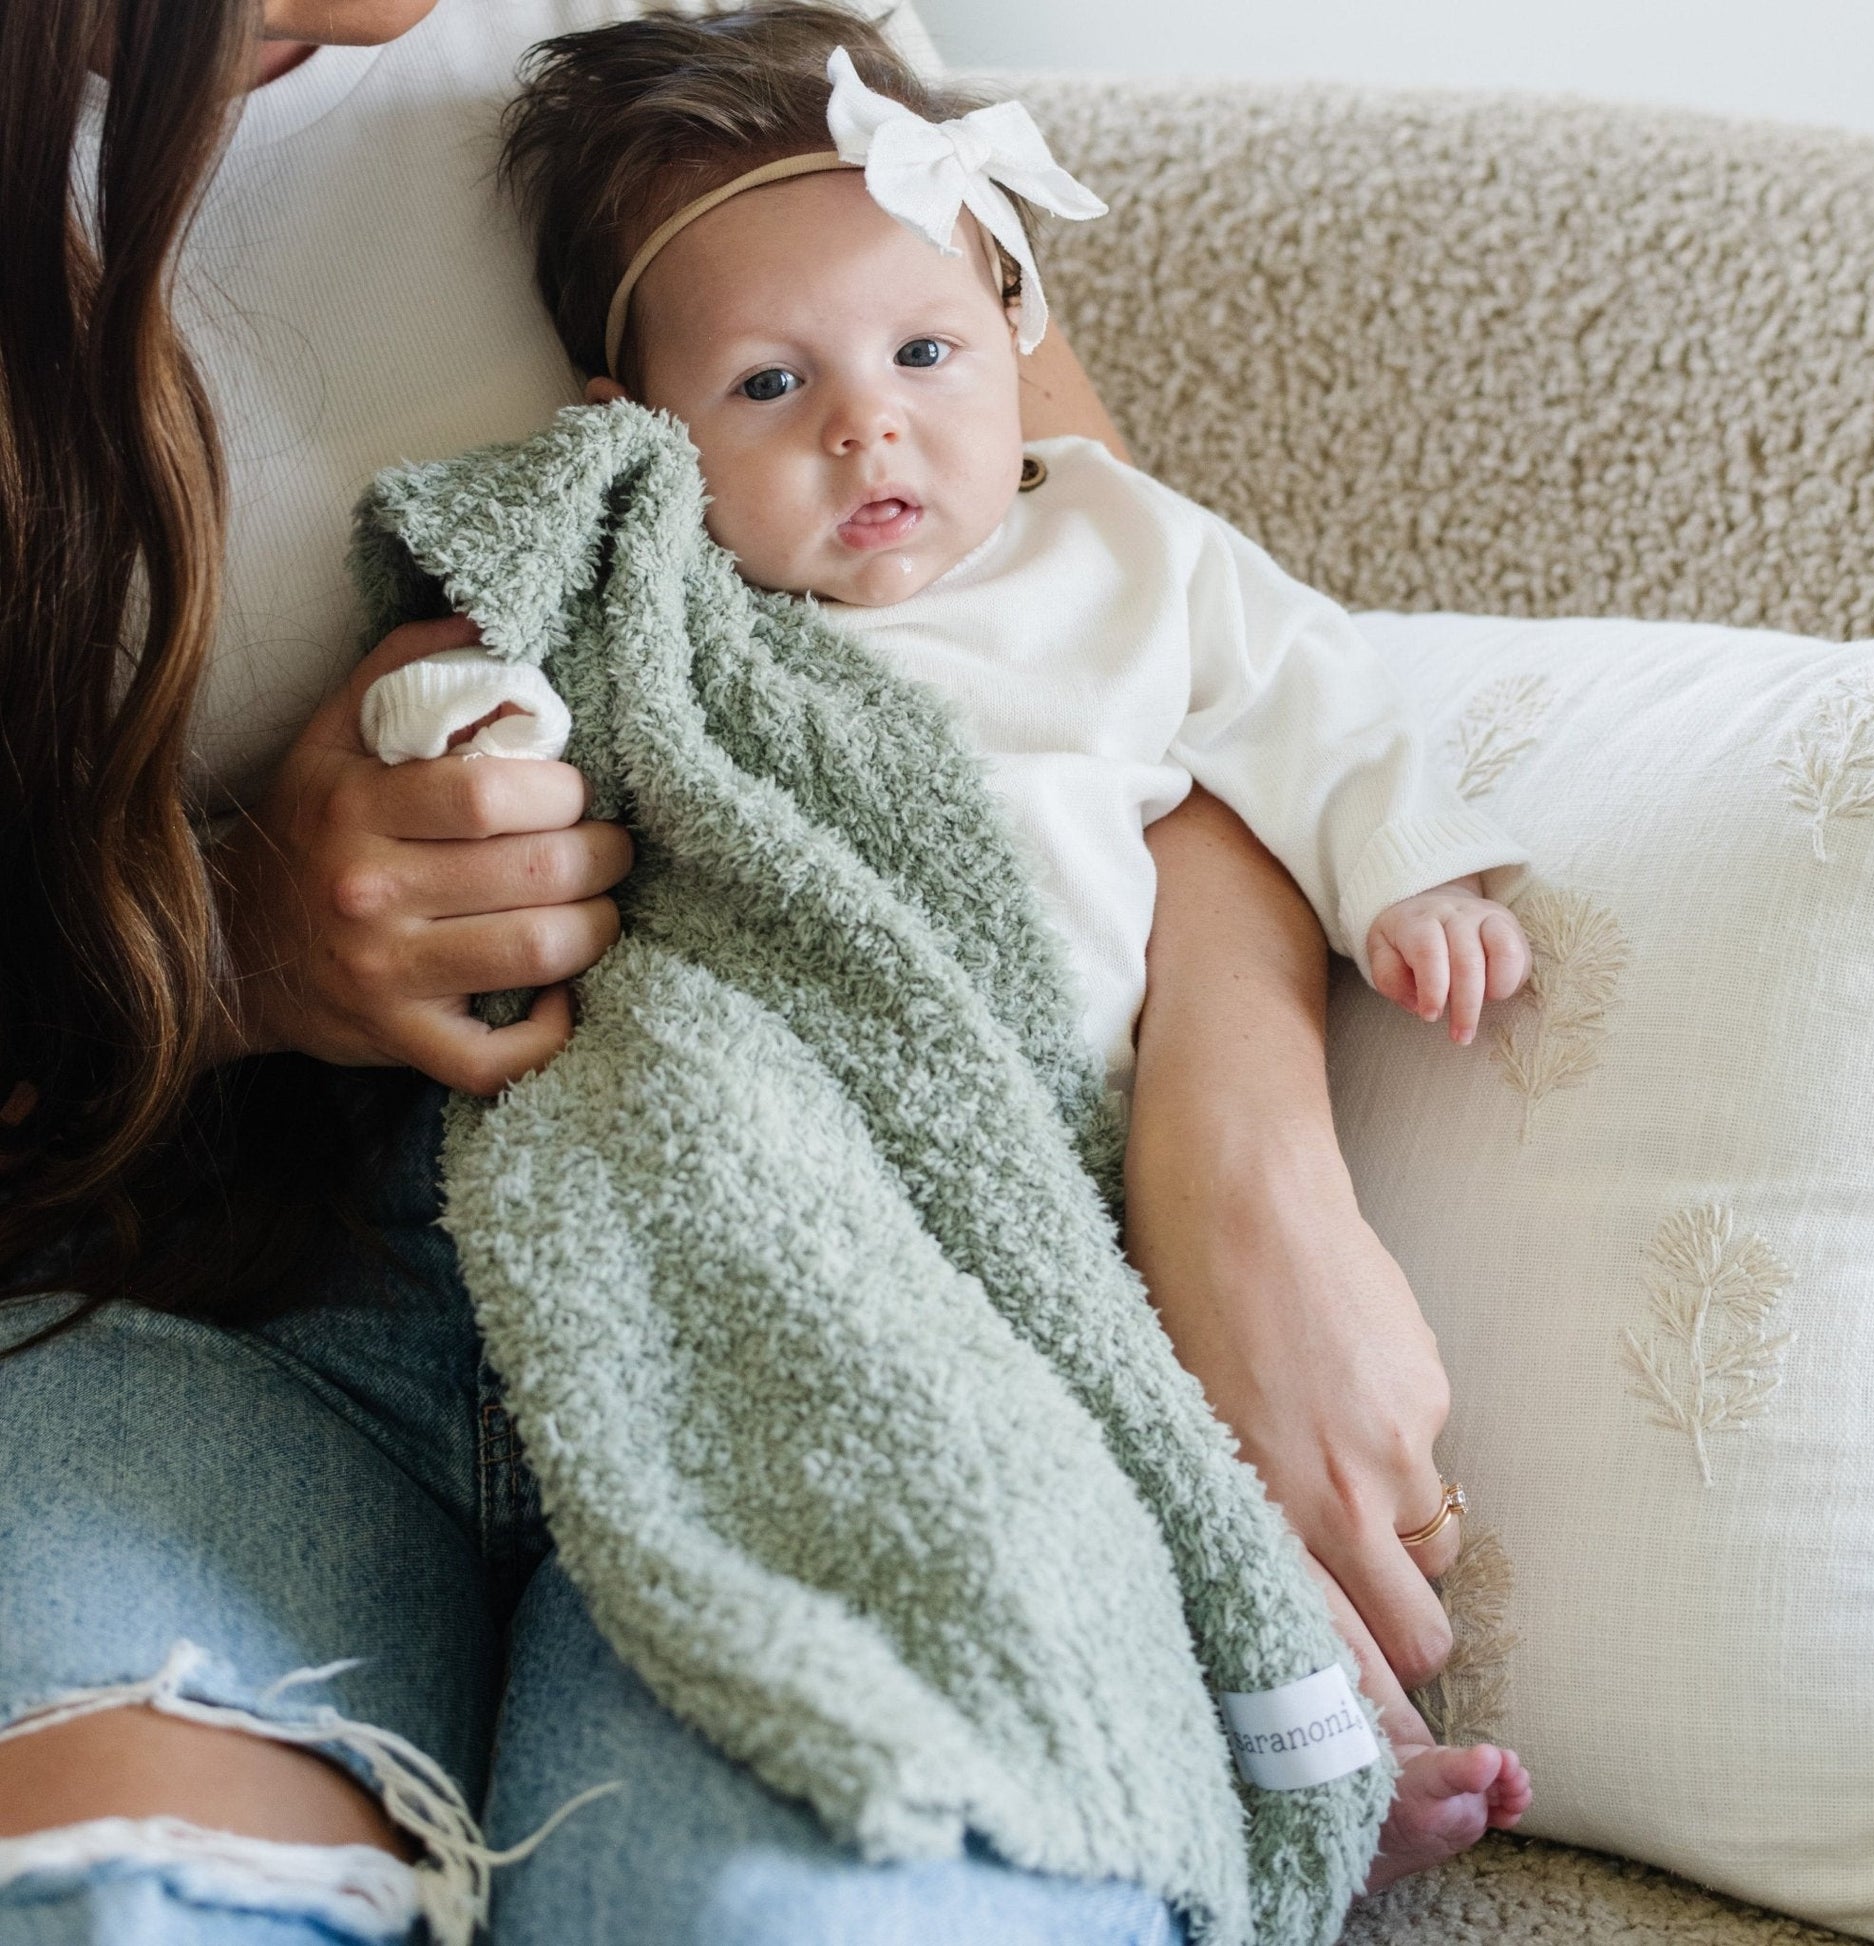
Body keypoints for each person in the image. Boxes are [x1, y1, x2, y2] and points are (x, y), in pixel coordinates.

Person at [0, 0, 1491, 1937]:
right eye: (774, 383)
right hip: (194, 1305)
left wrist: (1242, 1169)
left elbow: (1111, 665)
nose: (861, 420)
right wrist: (232, 947)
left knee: (812, 1906)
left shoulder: (755, 77)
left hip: (845, 1257)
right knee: (127, 1902)